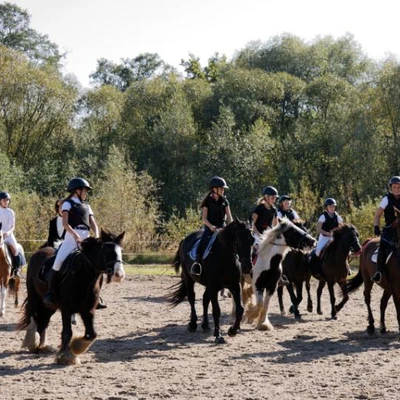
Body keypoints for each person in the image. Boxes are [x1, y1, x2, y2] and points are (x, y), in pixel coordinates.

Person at [43, 177, 99, 309]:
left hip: (86, 239)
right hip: (71, 239)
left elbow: (94, 224)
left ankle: (96, 295)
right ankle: (51, 293)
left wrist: (96, 236)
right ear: (77, 190)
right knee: (58, 261)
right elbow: (65, 224)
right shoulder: (68, 204)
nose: (86, 193)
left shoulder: (87, 206)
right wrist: (76, 236)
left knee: (97, 264)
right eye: (85, 190)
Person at [190, 176, 233, 275]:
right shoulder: (207, 202)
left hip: (222, 227)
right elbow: (204, 219)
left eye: (223, 189)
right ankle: (197, 263)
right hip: (210, 228)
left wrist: (231, 227)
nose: (223, 190)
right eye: (221, 188)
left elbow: (229, 218)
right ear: (214, 189)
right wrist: (211, 227)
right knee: (203, 241)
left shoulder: (225, 201)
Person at [372, 175, 400, 283]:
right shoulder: (386, 199)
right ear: (391, 188)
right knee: (383, 246)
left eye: (398, 187)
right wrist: (376, 226)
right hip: (389, 229)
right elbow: (377, 215)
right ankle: (379, 272)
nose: (397, 189)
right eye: (394, 187)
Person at [308, 198, 343, 276]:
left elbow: (342, 227)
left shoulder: (338, 217)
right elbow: (318, 229)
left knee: (343, 250)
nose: (332, 208)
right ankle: (316, 268)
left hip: (334, 238)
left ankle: (345, 267)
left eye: (333, 206)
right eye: (330, 206)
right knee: (318, 251)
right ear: (327, 207)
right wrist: (327, 233)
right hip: (324, 237)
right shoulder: (323, 216)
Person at [0, 192, 24, 277]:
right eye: (4, 200)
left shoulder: (10, 212)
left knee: (15, 250)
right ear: (0, 201)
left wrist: (8, 232)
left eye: (7, 200)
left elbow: (12, 226)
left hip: (8, 236)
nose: (6, 202)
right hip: (0, 235)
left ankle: (16, 269)